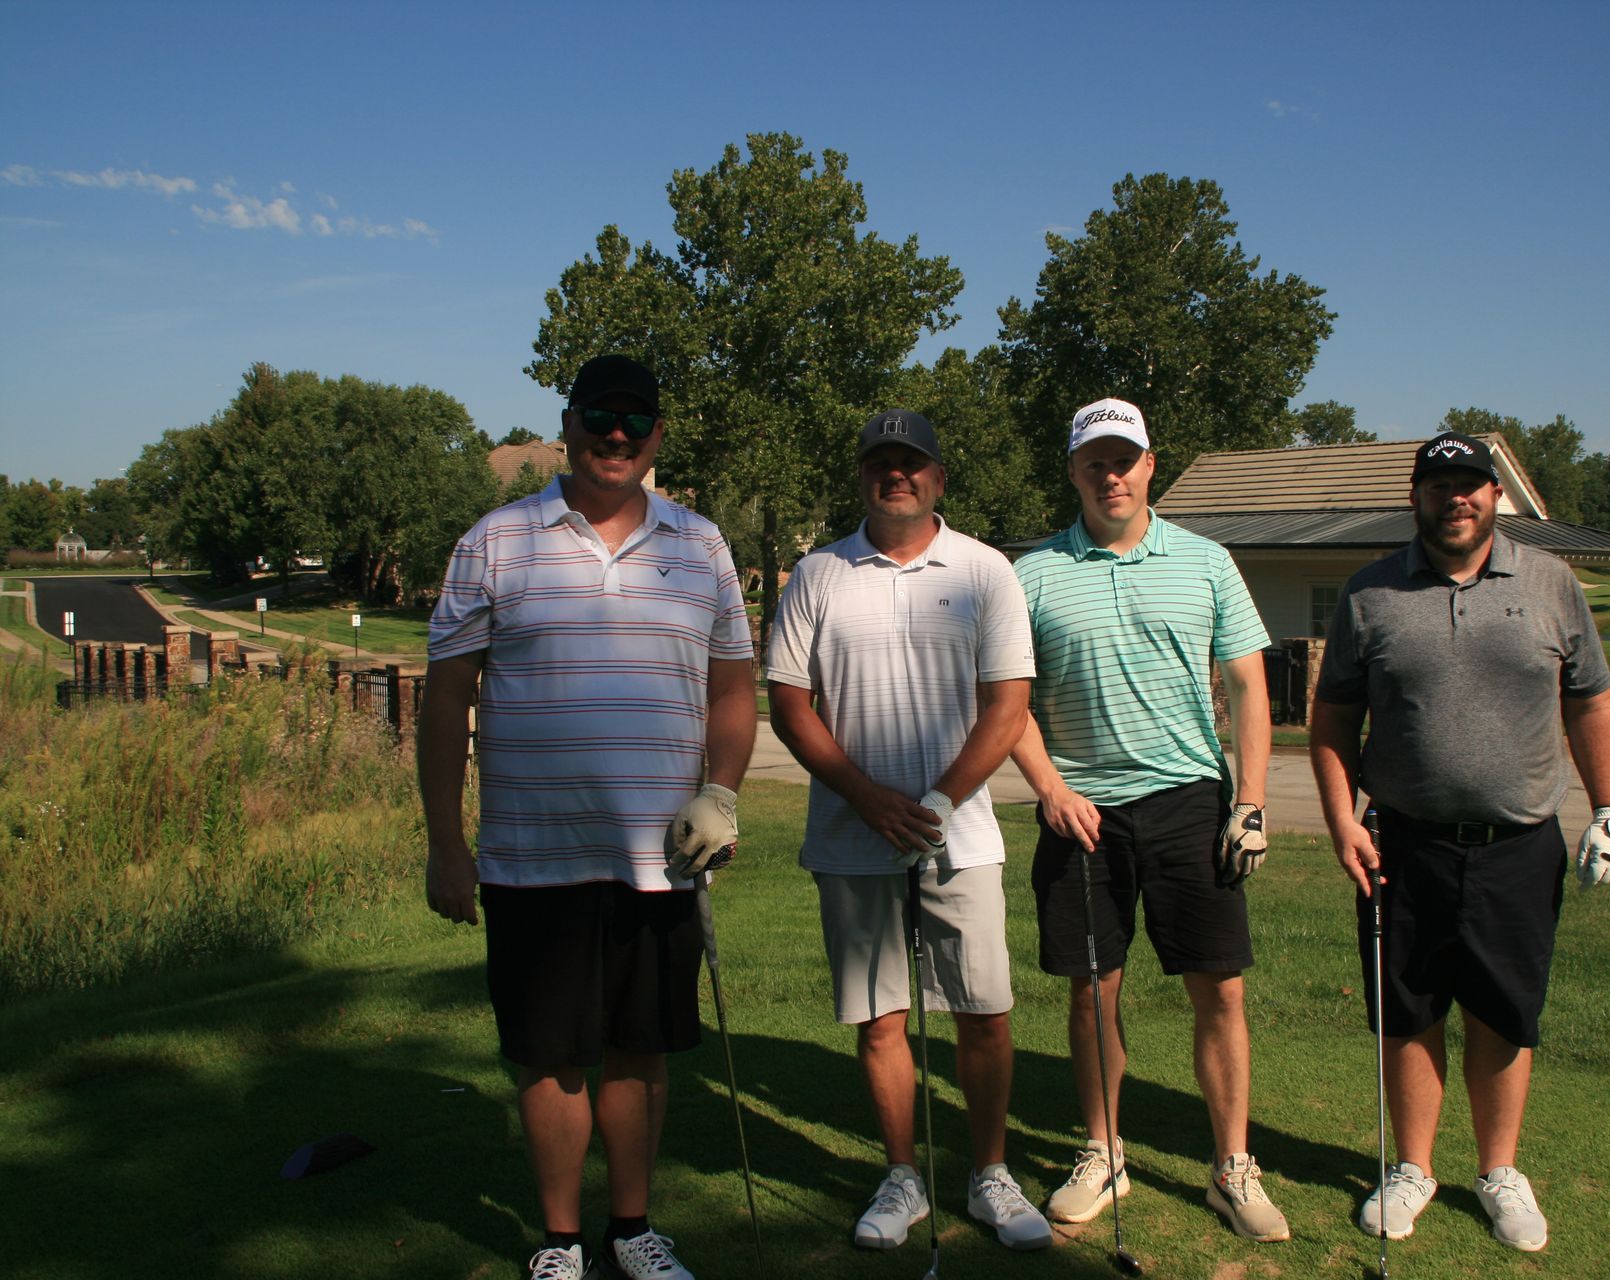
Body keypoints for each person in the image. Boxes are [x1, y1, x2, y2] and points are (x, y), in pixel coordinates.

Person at [419, 354, 757, 1280]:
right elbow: (447, 697)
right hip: (533, 856)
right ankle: (561, 1243)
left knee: (641, 1050)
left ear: (655, 436)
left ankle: (633, 1230)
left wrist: (721, 793)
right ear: (567, 423)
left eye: (634, 422)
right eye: (599, 417)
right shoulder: (496, 540)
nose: (616, 436)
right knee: (548, 1056)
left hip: (663, 855)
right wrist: (447, 845)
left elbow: (734, 688)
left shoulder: (703, 545)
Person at [1307, 431, 1610, 1254]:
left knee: (1502, 1009)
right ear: (1414, 496)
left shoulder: (1551, 582)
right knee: (1407, 1008)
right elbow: (1335, 717)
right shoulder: (1370, 592)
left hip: (1519, 842)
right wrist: (1342, 816)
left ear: (1496, 497)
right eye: (1441, 484)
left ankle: (1498, 1172)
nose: (1459, 497)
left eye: (1473, 484)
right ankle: (1412, 1167)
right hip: (1400, 842)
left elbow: (1590, 699)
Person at [764, 409, 1051, 1254]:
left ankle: (991, 1173)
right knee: (881, 1017)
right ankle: (902, 1176)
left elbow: (1008, 705)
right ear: (862, 476)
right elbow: (788, 702)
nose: (897, 474)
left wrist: (935, 801)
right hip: (853, 835)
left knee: (984, 1011)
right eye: (881, 462)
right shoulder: (817, 574)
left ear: (939, 477)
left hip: (957, 838)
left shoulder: (986, 570)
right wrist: (867, 798)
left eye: (912, 462)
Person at [1009, 397, 1289, 1243]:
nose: (1112, 473)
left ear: (1150, 465)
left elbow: (1247, 685)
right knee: (1093, 990)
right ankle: (1103, 1150)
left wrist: (1251, 800)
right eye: (1095, 460)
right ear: (1073, 471)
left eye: (1124, 457)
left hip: (1189, 804)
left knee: (1221, 988)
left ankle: (1233, 1166)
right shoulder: (1033, 573)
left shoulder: (1206, 562)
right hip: (1079, 812)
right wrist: (1051, 790)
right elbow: (1008, 703)